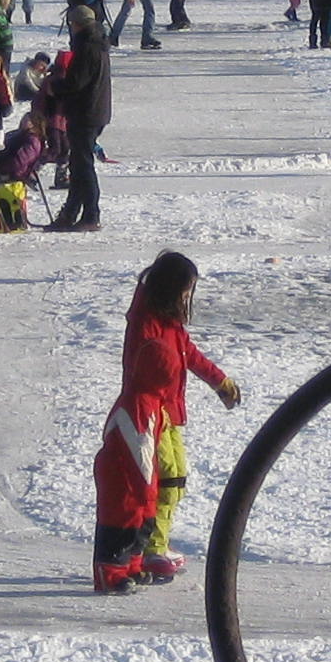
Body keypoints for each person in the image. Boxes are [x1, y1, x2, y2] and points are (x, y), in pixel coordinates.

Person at [116, 251, 243, 586]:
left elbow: (190, 355)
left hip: (167, 413)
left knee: (176, 477)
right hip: (147, 413)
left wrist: (220, 382)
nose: (187, 299)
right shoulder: (145, 323)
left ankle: (157, 543)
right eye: (185, 292)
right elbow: (149, 363)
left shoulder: (170, 324)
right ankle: (149, 548)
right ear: (169, 289)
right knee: (161, 478)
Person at [44, 9, 110, 231]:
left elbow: (77, 82)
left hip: (86, 112)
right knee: (78, 164)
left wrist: (55, 87)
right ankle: (70, 213)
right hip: (94, 111)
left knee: (83, 165)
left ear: (77, 24)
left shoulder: (88, 46)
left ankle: (91, 214)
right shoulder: (96, 42)